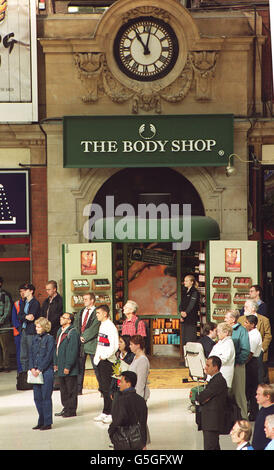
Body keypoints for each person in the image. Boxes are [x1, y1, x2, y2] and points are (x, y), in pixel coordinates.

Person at [108, 371, 148, 451]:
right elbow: (143, 423)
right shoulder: (141, 400)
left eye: (121, 382)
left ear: (128, 384)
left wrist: (111, 432)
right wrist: (143, 443)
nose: (119, 384)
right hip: (137, 441)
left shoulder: (120, 400)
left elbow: (117, 420)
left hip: (122, 441)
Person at [93, 304, 119, 424]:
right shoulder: (102, 325)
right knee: (103, 388)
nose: (96, 315)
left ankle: (112, 413)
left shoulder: (110, 326)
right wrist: (97, 358)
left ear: (105, 313)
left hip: (108, 361)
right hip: (100, 360)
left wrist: (105, 356)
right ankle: (105, 411)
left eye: (98, 313)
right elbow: (101, 344)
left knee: (109, 389)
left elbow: (114, 345)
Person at [196, 355, 228, 450]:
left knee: (210, 447)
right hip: (210, 422)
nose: (205, 367)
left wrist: (200, 397)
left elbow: (202, 397)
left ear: (215, 367)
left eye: (208, 365)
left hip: (212, 422)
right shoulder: (214, 380)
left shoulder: (218, 381)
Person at [29, 317, 55, 430]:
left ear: (44, 328)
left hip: (46, 372)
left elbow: (49, 356)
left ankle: (47, 422)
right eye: (36, 326)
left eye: (39, 327)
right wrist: (32, 368)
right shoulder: (34, 338)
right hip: (35, 372)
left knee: (46, 397)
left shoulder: (50, 339)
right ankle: (41, 420)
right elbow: (31, 354)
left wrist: (40, 369)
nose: (36, 329)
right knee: (37, 398)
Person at [238, 299, 272, 384]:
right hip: (245, 352)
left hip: (259, 352)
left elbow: (268, 336)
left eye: (246, 307)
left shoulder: (264, 320)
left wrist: (262, 349)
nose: (244, 308)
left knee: (260, 377)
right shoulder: (241, 319)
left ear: (253, 309)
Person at [224, 309, 250, 420]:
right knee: (227, 391)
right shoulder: (225, 330)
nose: (224, 319)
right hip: (226, 366)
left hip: (237, 366)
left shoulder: (241, 331)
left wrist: (238, 362)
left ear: (233, 319)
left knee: (239, 393)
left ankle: (243, 417)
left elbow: (245, 349)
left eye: (226, 317)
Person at [54, 313, 80, 418]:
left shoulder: (73, 333)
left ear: (69, 321)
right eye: (61, 317)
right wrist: (55, 363)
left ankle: (71, 410)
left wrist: (68, 366)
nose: (61, 319)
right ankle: (65, 408)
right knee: (63, 389)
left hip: (69, 367)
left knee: (71, 389)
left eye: (64, 317)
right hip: (60, 365)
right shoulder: (60, 331)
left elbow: (72, 351)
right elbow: (57, 348)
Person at [74, 292, 100, 395]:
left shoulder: (97, 312)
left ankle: (103, 389)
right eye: (83, 299)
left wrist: (84, 337)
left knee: (97, 367)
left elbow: (95, 326)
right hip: (81, 345)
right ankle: (78, 390)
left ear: (92, 300)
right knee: (79, 368)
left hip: (92, 343)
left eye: (86, 299)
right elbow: (76, 325)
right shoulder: (80, 311)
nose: (83, 301)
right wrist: (78, 337)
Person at [18, 283, 41, 381]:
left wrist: (25, 317)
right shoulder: (24, 302)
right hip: (24, 330)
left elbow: (32, 317)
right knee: (23, 354)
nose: (24, 292)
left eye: (26, 290)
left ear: (31, 291)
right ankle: (24, 375)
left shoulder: (35, 303)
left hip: (31, 331)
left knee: (32, 353)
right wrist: (25, 317)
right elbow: (20, 316)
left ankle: (32, 375)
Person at [243, 315, 262, 421]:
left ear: (252, 324)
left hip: (251, 363)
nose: (244, 324)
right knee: (248, 388)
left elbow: (250, 353)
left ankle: (254, 413)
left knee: (251, 388)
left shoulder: (255, 335)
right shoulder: (249, 333)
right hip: (249, 362)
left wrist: (243, 363)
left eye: (246, 323)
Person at [209, 322, 235, 389]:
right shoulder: (220, 343)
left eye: (219, 331)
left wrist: (212, 364)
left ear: (226, 332)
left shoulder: (228, 344)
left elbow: (223, 359)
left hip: (223, 376)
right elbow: (211, 356)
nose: (217, 334)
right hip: (215, 375)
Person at [110, 335, 135, 399]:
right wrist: (112, 390)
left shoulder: (132, 357)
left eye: (121, 342)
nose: (119, 344)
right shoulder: (118, 356)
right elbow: (115, 374)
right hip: (118, 388)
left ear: (126, 343)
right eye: (118, 342)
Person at [179, 274, 200, 346]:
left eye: (186, 281)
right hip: (184, 319)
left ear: (192, 282)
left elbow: (192, 304)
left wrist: (186, 313)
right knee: (184, 339)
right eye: (184, 281)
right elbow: (181, 304)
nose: (184, 282)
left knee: (190, 339)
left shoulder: (195, 292)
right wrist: (181, 313)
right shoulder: (184, 292)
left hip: (191, 319)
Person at [252, 384, 274, 450]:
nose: (256, 396)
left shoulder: (272, 413)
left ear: (267, 397)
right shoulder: (262, 409)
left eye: (259, 394)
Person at [129, 335, 150, 401]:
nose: (129, 346)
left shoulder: (142, 360)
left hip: (138, 395)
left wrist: (137, 399)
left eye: (131, 344)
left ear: (138, 345)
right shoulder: (135, 357)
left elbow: (141, 382)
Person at [11, 285, 25, 375]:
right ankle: (21, 372)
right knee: (20, 353)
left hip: (27, 332)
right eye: (20, 291)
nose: (22, 293)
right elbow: (14, 319)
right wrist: (20, 329)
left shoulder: (31, 303)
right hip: (18, 333)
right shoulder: (16, 304)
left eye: (24, 291)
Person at [0, 277, 12, 372]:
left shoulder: (5, 295)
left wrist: (1, 320)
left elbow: (7, 311)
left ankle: (6, 366)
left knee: (5, 348)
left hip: (4, 327)